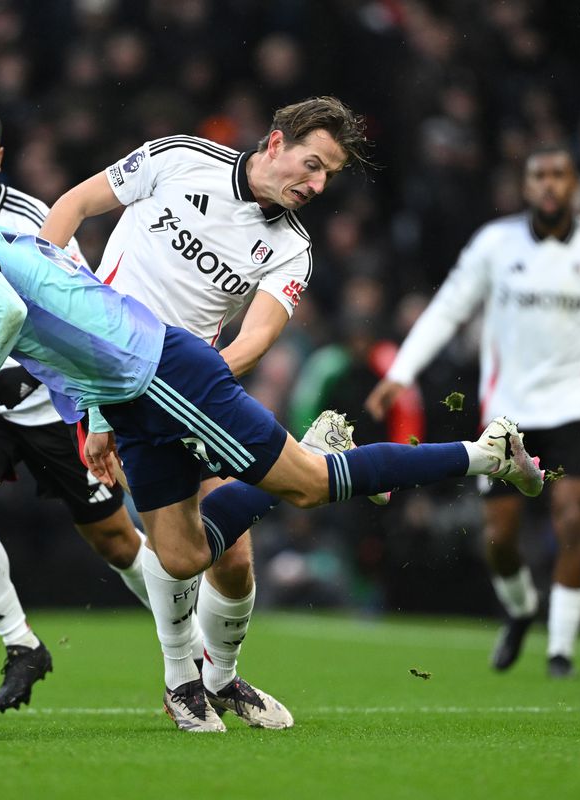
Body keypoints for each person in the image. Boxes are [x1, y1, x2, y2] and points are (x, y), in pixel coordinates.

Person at [0, 178, 547, 732]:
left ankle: (485, 452)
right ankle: (188, 684)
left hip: (163, 377)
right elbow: (59, 333)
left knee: (310, 485)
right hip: (126, 393)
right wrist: (97, 420)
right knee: (178, 556)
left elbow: (14, 316)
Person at [38, 96, 385, 731]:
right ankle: (181, 680)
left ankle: (219, 679)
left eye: (327, 176)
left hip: (189, 386)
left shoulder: (290, 249)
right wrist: (38, 280)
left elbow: (254, 340)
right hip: (107, 375)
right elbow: (73, 207)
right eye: (311, 164)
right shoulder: (179, 158)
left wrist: (194, 388)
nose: (315, 185)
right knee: (178, 545)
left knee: (230, 557)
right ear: (276, 142)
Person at [365, 145, 580, 678]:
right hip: (507, 414)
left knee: (572, 521)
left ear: (574, 185)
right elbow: (449, 307)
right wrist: (402, 371)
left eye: (559, 175)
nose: (549, 185)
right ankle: (523, 608)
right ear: (525, 186)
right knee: (499, 538)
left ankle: (560, 652)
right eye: (539, 176)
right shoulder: (494, 245)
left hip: (575, 405)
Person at [0, 103, 150, 712]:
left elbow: (77, 303)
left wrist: (94, 411)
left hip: (50, 398)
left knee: (118, 542)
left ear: (0, 159)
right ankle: (21, 644)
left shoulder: (35, 217)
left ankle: (195, 648)